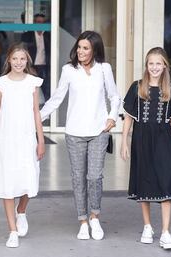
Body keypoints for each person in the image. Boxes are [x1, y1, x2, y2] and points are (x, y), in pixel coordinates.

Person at [40, 31, 121, 240]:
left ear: (95, 50)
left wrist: (112, 117)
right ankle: (83, 221)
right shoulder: (69, 70)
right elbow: (57, 98)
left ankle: (95, 216)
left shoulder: (104, 69)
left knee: (94, 176)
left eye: (86, 48)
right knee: (78, 178)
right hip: (74, 133)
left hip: (98, 131)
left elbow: (114, 95)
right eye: (79, 47)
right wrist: (37, 118)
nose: (81, 51)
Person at [120, 47, 171, 250]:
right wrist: (124, 142)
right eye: (151, 64)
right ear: (146, 66)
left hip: (164, 141)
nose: (155, 67)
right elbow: (129, 117)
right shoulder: (137, 87)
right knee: (145, 179)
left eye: (159, 63)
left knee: (166, 180)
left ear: (165, 66)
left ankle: (166, 231)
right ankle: (147, 226)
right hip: (142, 141)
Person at [0, 43, 45, 248]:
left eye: (22, 59)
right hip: (6, 139)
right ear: (8, 60)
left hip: (27, 138)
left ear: (27, 60)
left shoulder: (33, 83)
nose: (19, 62)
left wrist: (41, 140)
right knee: (8, 182)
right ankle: (12, 230)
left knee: (30, 179)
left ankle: (22, 210)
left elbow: (36, 112)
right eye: (15, 59)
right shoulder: (0, 83)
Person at [22, 13, 51, 101]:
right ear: (34, 23)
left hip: (44, 66)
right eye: (38, 22)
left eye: (42, 22)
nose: (40, 24)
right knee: (30, 89)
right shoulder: (27, 35)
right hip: (31, 66)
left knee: (46, 89)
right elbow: (23, 52)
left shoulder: (48, 36)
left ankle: (46, 111)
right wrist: (28, 66)